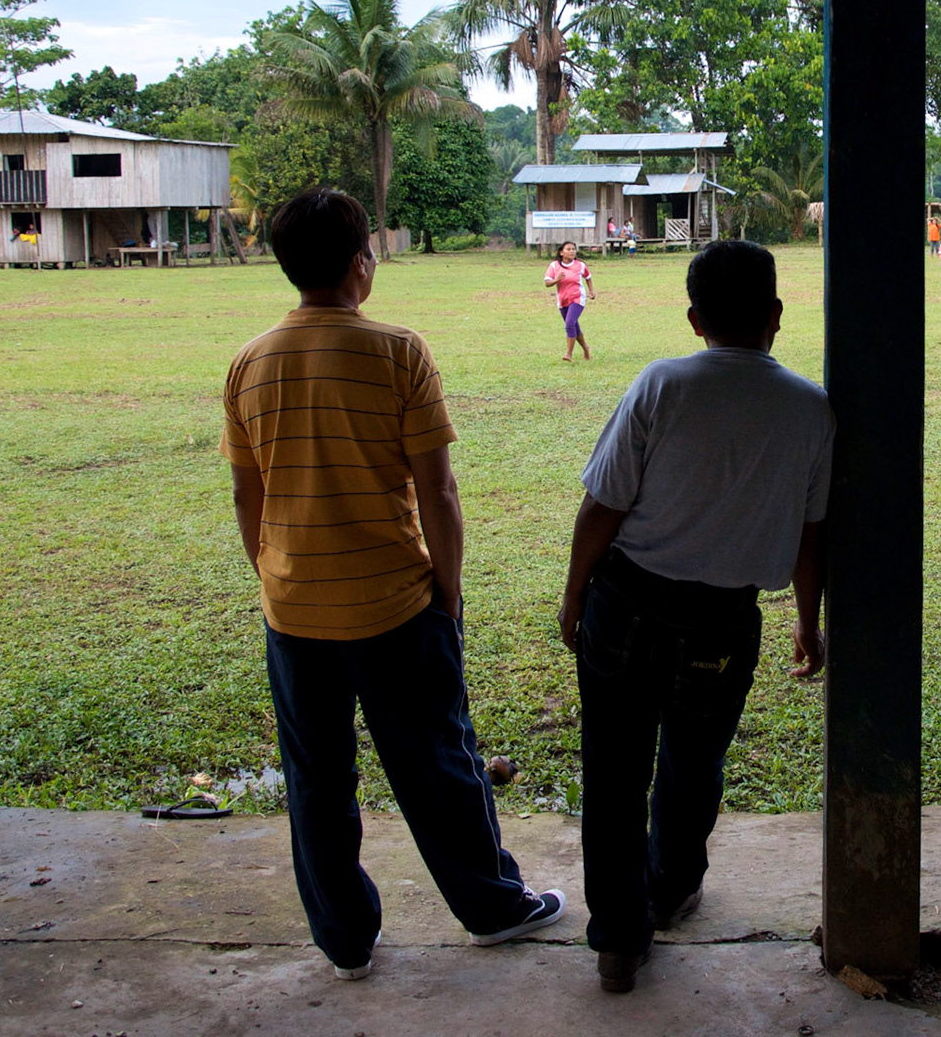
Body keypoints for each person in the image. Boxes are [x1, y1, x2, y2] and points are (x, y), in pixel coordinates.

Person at [221, 186, 566, 981]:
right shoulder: (398, 351)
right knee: (439, 762)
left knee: (317, 779)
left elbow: (249, 495)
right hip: (396, 605)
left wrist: (276, 575)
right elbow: (437, 490)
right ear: (359, 265)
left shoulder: (250, 362)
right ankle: (492, 907)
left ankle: (344, 939)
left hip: (294, 610)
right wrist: (449, 592)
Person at [559, 240, 833, 993]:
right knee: (694, 761)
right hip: (723, 622)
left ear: (692, 318)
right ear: (777, 316)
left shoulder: (661, 385)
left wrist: (575, 590)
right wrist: (808, 622)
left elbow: (603, 505)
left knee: (614, 768)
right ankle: (672, 889)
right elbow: (813, 535)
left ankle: (618, 940)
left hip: (627, 602)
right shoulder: (811, 409)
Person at [545, 240, 595, 362]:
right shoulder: (554, 266)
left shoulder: (580, 265)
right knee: (574, 326)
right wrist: (557, 279)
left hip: (578, 298)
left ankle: (568, 354)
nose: (572, 251)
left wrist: (591, 291)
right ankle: (586, 348)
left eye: (573, 249)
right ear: (561, 252)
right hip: (562, 300)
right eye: (568, 249)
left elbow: (588, 277)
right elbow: (547, 283)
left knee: (569, 323)